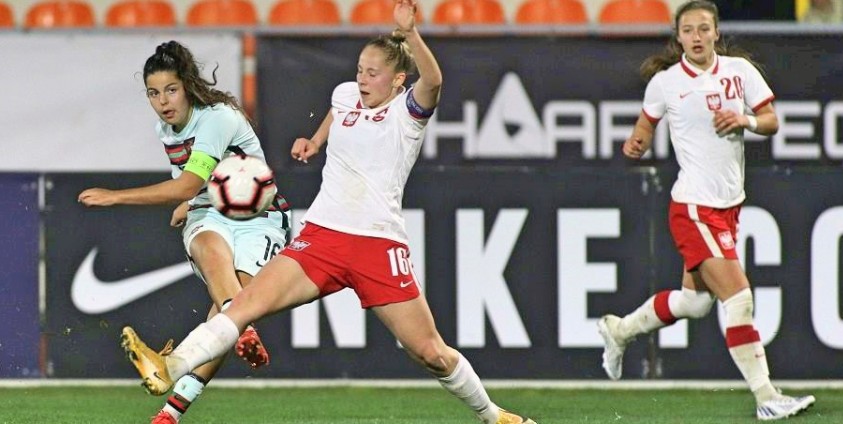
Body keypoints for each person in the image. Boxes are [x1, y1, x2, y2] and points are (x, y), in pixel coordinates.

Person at [118, 1, 536, 423]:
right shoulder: (346, 94)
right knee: (242, 306)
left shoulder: (407, 114)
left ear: (398, 80)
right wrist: (315, 141)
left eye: (373, 73)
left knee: (431, 354)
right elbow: (340, 110)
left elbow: (435, 80)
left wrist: (410, 33)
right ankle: (171, 366)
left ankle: (494, 416)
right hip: (322, 237)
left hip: (377, 243)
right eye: (359, 69)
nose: (362, 79)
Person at [597, 1, 815, 421]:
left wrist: (745, 120)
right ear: (678, 37)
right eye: (688, 30)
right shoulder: (666, 83)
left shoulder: (740, 72)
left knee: (695, 304)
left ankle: (618, 330)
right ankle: (767, 397)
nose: (696, 37)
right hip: (694, 206)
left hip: (728, 206)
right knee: (739, 297)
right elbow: (645, 125)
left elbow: (771, 120)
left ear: (716, 32)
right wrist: (637, 143)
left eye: (703, 28)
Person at [78, 41, 292, 424]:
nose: (163, 101)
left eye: (171, 90)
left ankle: (175, 404)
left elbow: (186, 184)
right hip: (210, 212)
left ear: (188, 86)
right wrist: (188, 201)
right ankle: (238, 330)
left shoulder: (216, 118)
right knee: (213, 258)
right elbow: (192, 183)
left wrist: (115, 197)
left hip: (261, 215)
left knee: (226, 312)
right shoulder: (166, 127)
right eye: (153, 93)